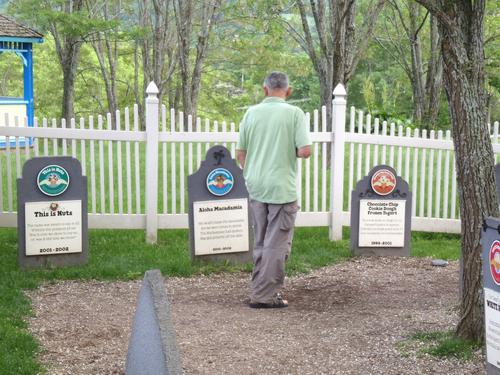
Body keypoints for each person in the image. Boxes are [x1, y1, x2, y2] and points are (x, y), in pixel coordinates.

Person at [236, 71, 311, 309]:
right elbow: (304, 151)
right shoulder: (294, 114)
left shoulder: (251, 113)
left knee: (261, 240)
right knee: (276, 244)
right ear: (288, 91)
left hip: (256, 185)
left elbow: (241, 153)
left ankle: (260, 288)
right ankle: (264, 296)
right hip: (281, 187)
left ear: (264, 89)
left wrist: (254, 170)